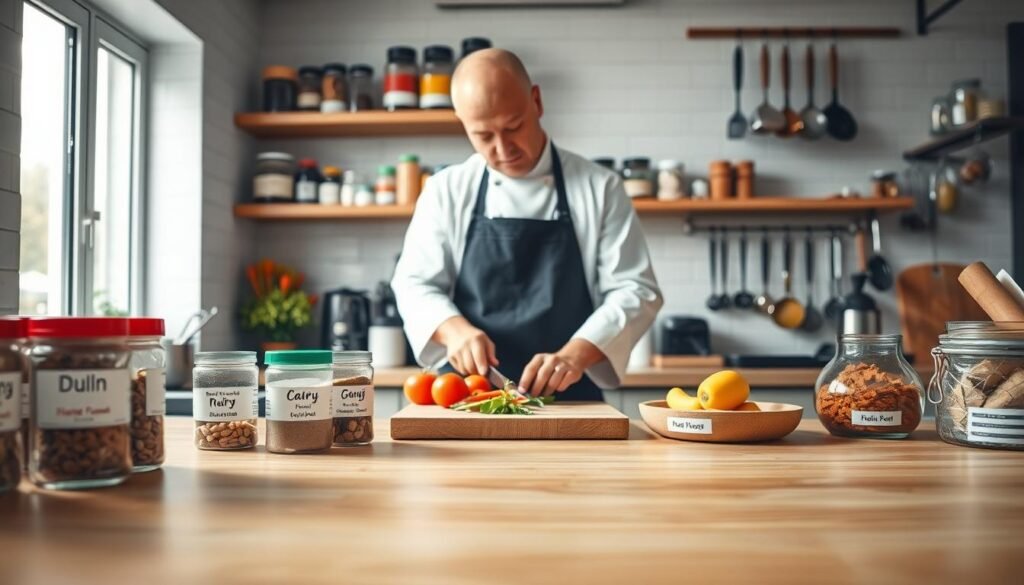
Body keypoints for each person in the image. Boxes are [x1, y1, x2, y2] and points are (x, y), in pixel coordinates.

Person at [391, 48, 662, 400]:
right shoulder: (446, 189)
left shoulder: (601, 187)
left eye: (513, 126)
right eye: (483, 136)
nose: (503, 149)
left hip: (570, 399)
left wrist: (574, 355)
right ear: (462, 122)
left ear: (536, 101)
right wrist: (453, 330)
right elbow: (413, 284)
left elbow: (636, 290)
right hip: (468, 396)